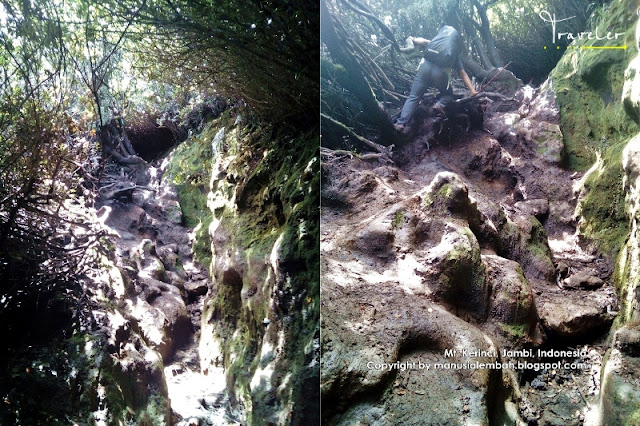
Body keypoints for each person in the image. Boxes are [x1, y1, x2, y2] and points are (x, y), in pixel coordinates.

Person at [395, 25, 477, 132]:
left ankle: (400, 124)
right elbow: (463, 74)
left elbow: (422, 41)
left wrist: (412, 39)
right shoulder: (453, 54)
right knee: (448, 95)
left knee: (413, 96)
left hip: (424, 68)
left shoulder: (433, 44)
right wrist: (472, 91)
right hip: (439, 73)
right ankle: (440, 104)